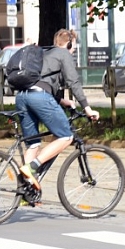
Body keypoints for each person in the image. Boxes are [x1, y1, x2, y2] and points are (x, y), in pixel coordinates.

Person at [15, 28, 100, 194]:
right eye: (73, 46)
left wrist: (62, 101)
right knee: (66, 136)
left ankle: (26, 192)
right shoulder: (64, 54)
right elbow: (73, 81)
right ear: (68, 44)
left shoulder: (43, 55)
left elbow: (41, 84)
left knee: (33, 145)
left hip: (22, 97)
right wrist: (87, 108)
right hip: (39, 97)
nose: (74, 50)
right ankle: (32, 168)